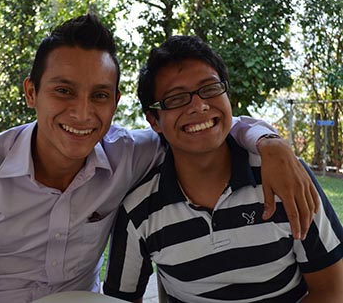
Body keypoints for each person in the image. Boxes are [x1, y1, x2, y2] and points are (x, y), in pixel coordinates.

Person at [0, 14, 317, 303]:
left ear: (115, 103)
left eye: (99, 95)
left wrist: (270, 142)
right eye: (63, 91)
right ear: (30, 93)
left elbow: (202, 123)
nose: (82, 113)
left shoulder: (129, 153)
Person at [103, 35, 343, 303]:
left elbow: (331, 290)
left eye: (210, 89)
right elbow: (120, 299)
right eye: (176, 98)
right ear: (154, 120)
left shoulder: (285, 178)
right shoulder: (139, 211)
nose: (199, 106)